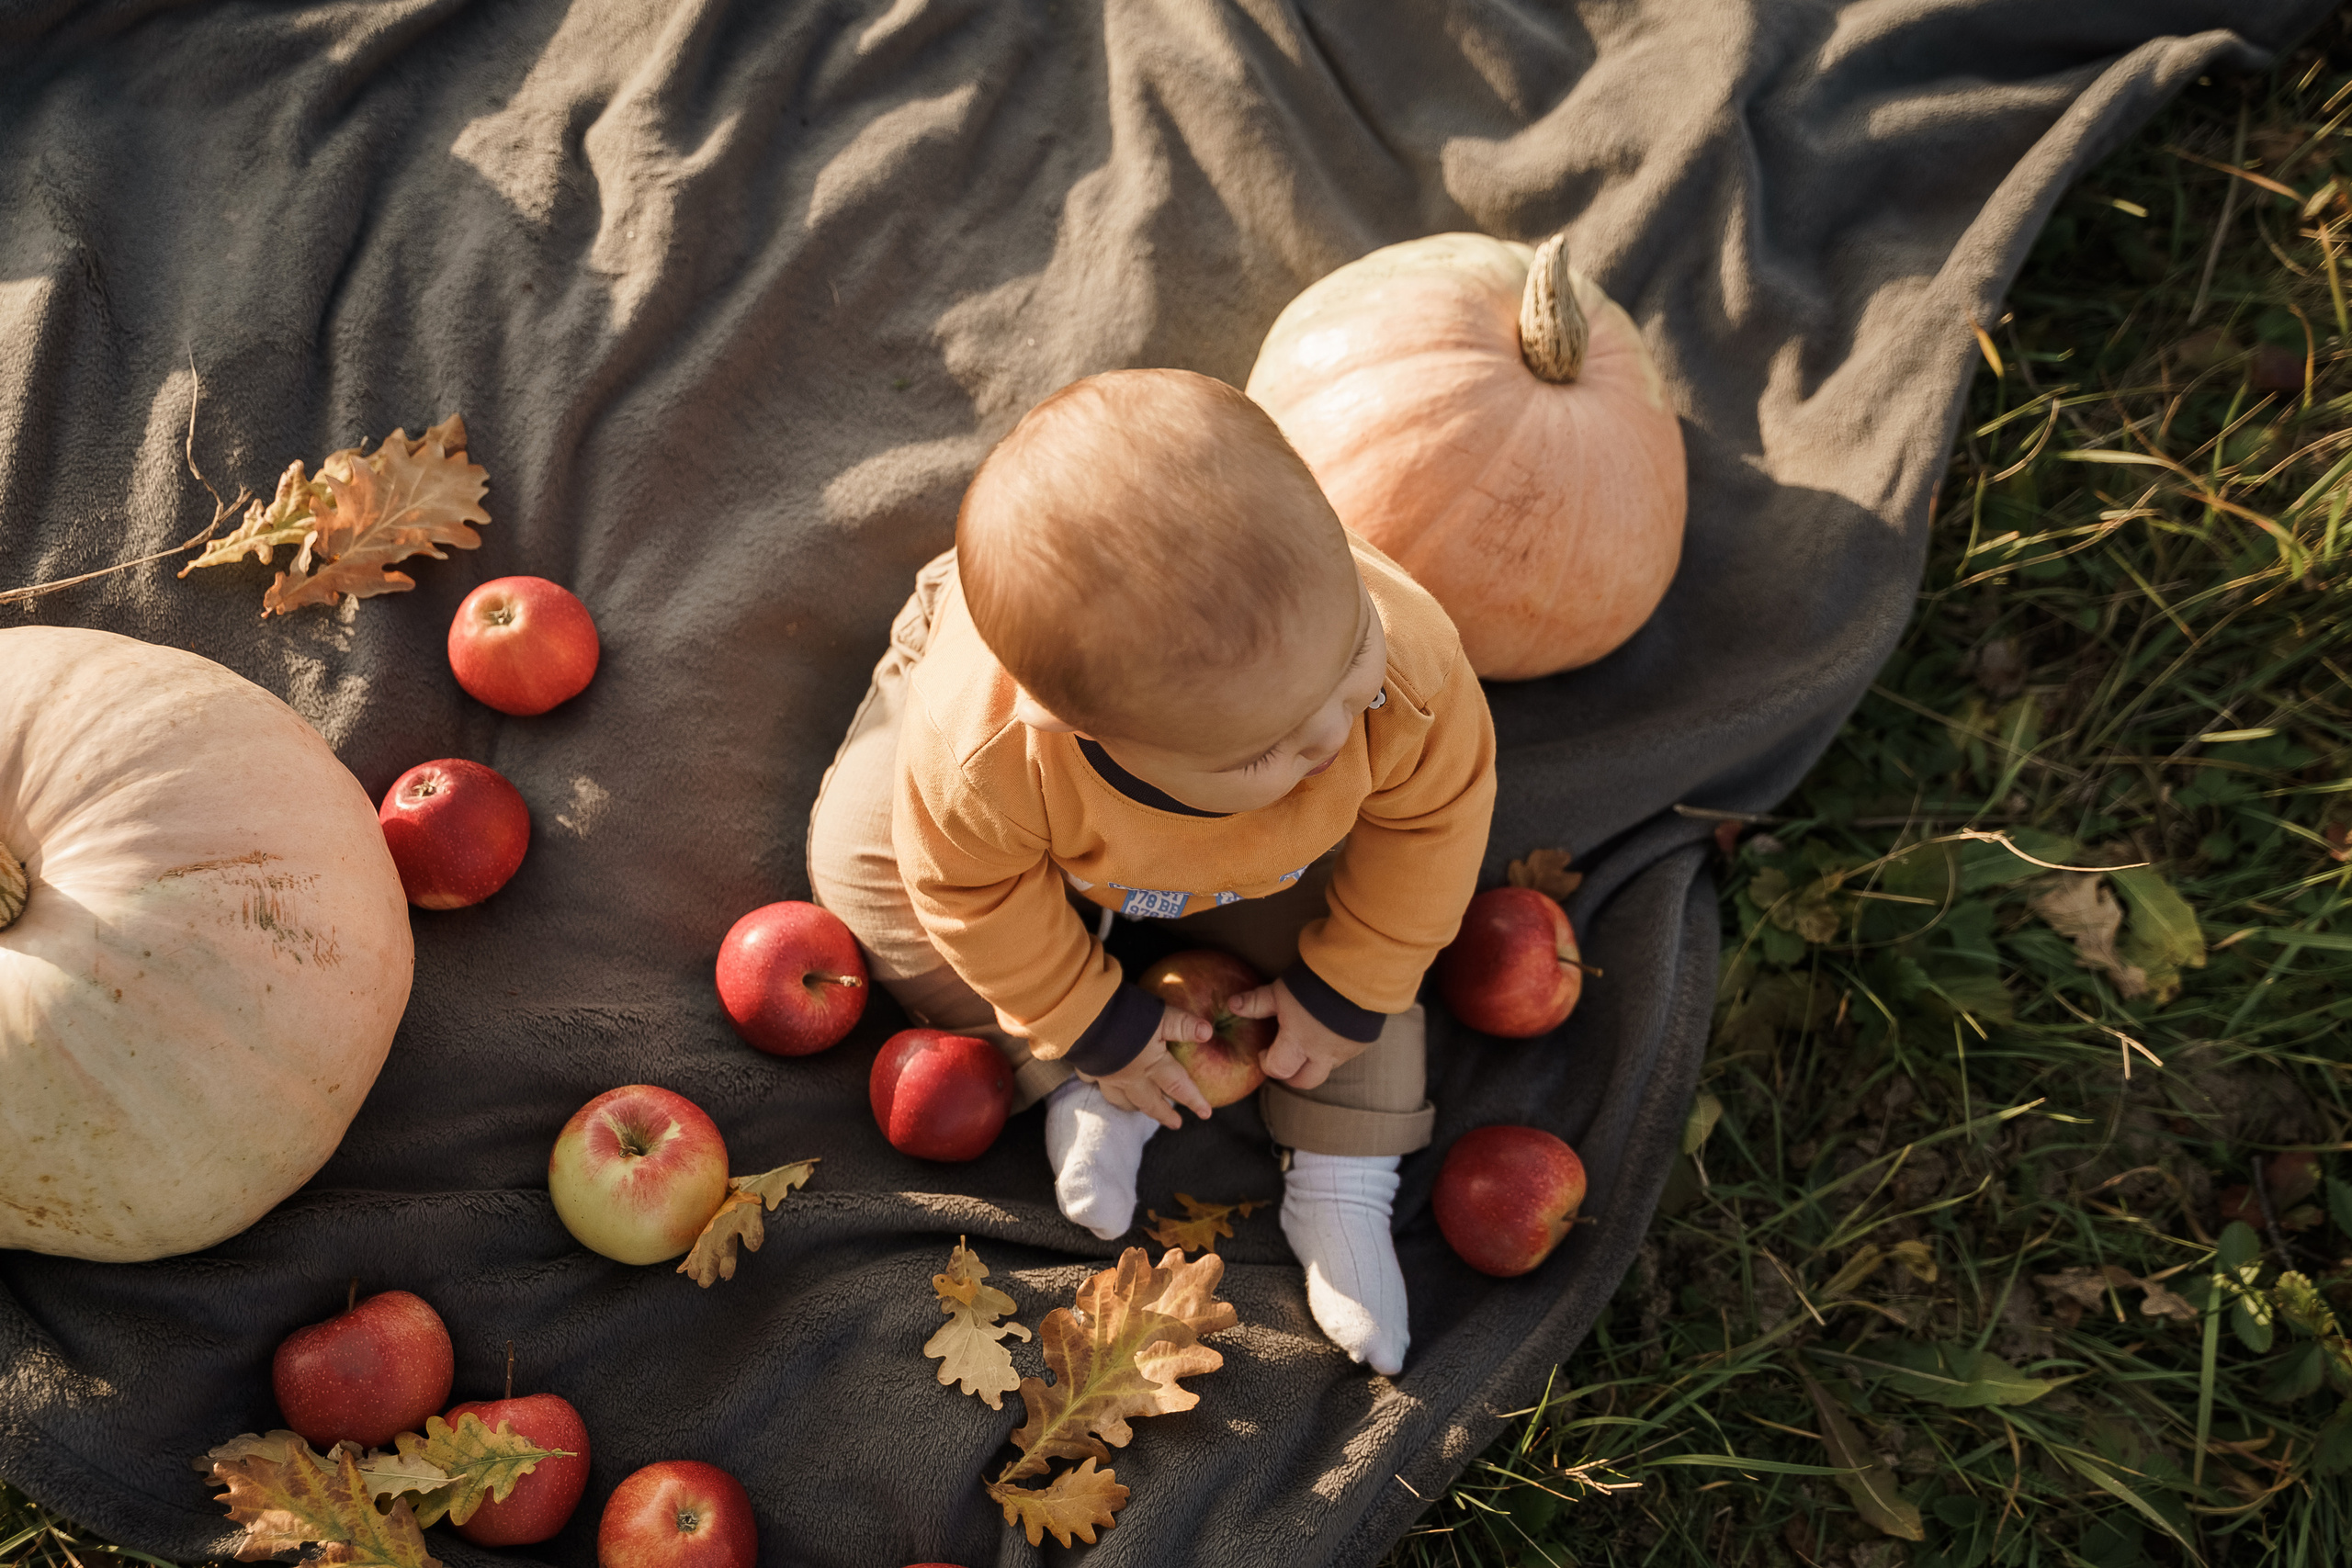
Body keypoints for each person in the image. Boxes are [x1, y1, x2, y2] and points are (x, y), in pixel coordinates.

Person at [808, 367, 1495, 1375]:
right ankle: (1082, 1081)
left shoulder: (1403, 671)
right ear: (1076, 728)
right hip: (1017, 839)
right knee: (865, 869)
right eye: (1265, 748)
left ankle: (1345, 1183)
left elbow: (1437, 818)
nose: (1329, 733)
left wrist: (1353, 980)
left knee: (1381, 951)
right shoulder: (990, 755)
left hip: (1263, 853)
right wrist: (1086, 1022)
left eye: (1352, 658)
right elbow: (969, 890)